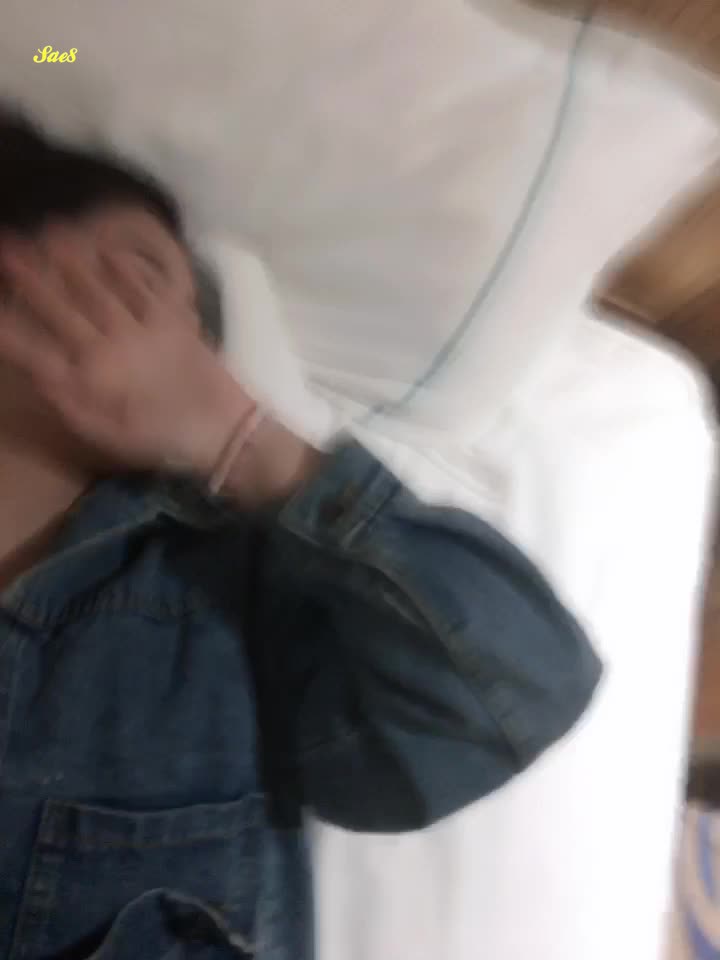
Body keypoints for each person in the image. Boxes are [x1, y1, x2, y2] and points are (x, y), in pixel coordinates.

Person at [0, 114, 601, 960]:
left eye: (184, 316)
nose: (171, 342)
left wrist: (243, 440)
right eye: (127, 283)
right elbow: (49, 50)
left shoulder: (230, 601)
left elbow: (508, 700)